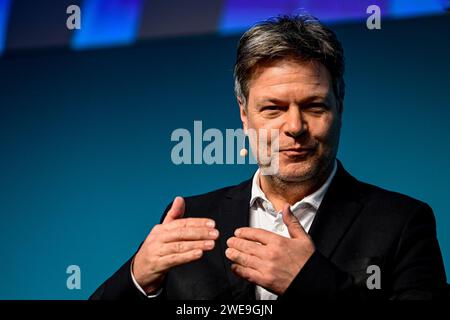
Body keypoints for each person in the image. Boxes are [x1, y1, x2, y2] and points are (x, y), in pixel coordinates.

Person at [90, 14, 447, 300]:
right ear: (244, 115)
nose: (295, 126)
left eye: (313, 106)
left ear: (340, 105)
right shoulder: (190, 218)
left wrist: (312, 284)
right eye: (274, 109)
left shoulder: (403, 223)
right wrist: (139, 277)